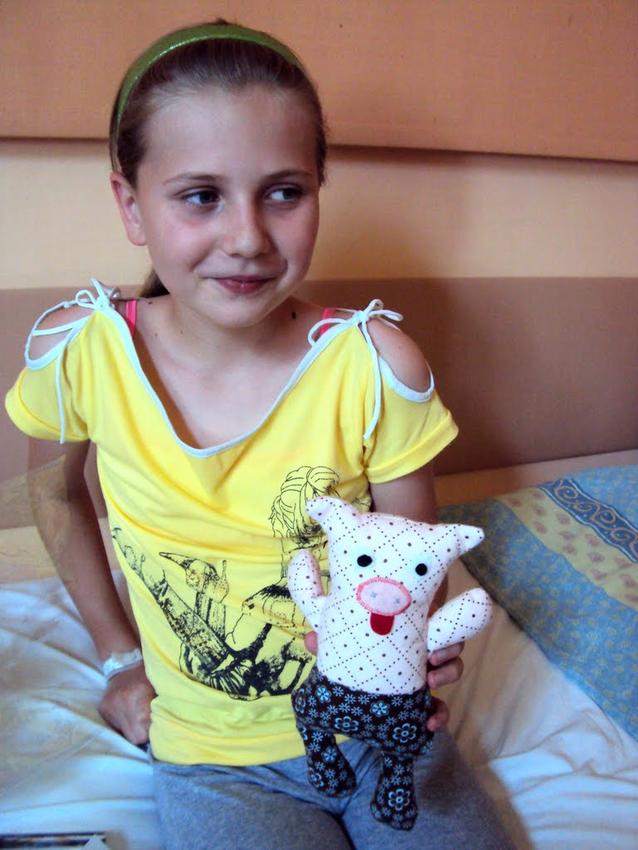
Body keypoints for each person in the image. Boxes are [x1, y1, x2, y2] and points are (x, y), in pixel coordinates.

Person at [5, 21, 514, 850]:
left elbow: (415, 554)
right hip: (216, 761)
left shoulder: (375, 365)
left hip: (380, 733)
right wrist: (118, 657)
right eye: (200, 195)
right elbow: (55, 496)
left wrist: (424, 646)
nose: (246, 237)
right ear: (131, 205)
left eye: (283, 192)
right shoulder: (79, 355)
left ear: (318, 190)